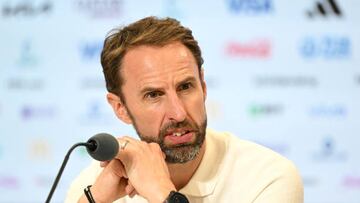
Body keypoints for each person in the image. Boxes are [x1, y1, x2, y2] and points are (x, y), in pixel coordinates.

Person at [65, 16, 303, 203]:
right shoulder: (94, 187)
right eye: (154, 95)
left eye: (186, 87)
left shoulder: (268, 178)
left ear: (204, 86)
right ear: (120, 108)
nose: (178, 113)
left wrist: (163, 194)